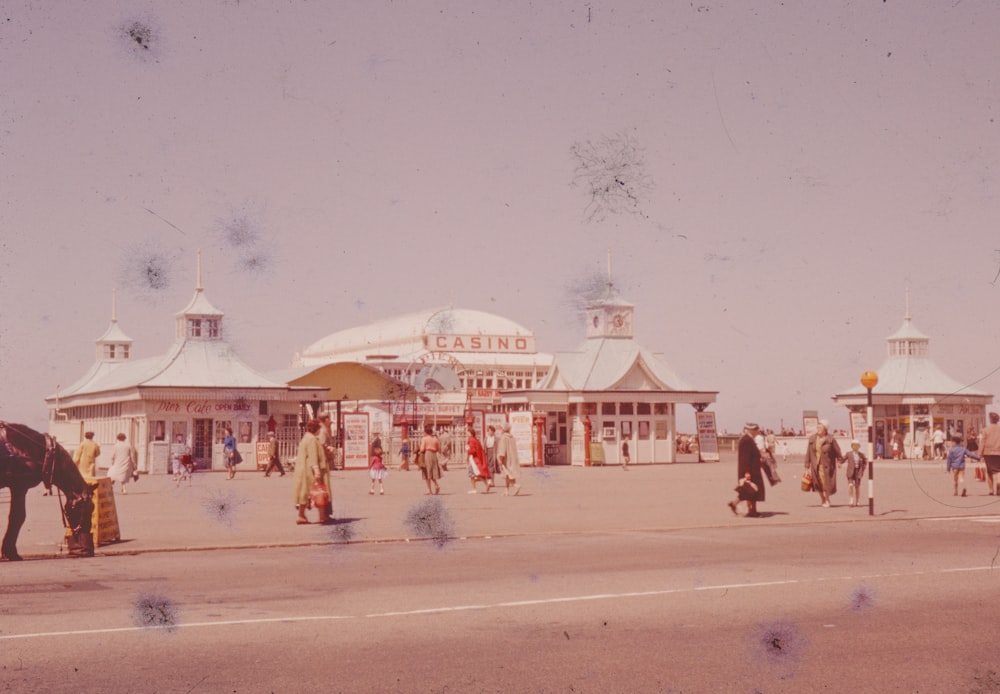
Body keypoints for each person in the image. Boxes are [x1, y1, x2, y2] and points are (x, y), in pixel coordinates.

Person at [293, 419, 330, 524]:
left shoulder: (306, 438)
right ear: (316, 429)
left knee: (304, 494)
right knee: (319, 493)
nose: (320, 430)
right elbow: (313, 456)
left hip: (303, 470)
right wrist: (317, 471)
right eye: (319, 428)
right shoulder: (312, 440)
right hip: (310, 471)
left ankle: (301, 515)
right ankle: (322, 517)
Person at [804, 420, 843, 507]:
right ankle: (822, 499)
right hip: (815, 465)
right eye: (817, 427)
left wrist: (840, 461)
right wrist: (807, 466)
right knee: (817, 484)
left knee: (826, 483)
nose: (818, 429)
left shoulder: (830, 439)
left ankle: (827, 500)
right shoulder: (812, 439)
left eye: (820, 427)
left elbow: (838, 451)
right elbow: (808, 453)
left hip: (827, 465)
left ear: (825, 429)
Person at [734, 422, 765, 517]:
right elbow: (745, 458)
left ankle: (752, 510)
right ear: (751, 430)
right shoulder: (747, 440)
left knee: (751, 491)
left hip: (753, 469)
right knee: (750, 491)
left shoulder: (749, 439)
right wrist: (746, 471)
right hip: (750, 470)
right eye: (756, 429)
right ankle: (750, 510)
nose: (758, 431)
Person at [496, 422, 521, 496]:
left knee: (507, 473)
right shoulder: (511, 437)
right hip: (512, 458)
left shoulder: (504, 438)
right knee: (508, 474)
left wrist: (500, 458)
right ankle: (506, 490)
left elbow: (502, 450)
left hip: (506, 459)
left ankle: (515, 485)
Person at [978, 412, 1000, 495]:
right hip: (999, 452)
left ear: (990, 419)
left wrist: (980, 454)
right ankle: (999, 483)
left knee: (989, 472)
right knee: (999, 471)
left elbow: (982, 442)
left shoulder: (985, 430)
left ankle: (991, 490)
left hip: (988, 453)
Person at [418, 423, 442, 495]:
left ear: (425, 432)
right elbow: (438, 449)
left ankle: (429, 489)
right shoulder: (435, 439)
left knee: (426, 471)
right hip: (434, 455)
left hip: (427, 454)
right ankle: (435, 485)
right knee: (432, 471)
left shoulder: (424, 439)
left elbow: (422, 449)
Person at [466, 426, 491, 494]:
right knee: (477, 474)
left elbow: (473, 450)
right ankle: (486, 483)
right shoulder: (476, 440)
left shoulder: (471, 440)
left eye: (468, 432)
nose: (467, 433)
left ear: (471, 433)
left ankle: (474, 489)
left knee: (471, 474)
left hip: (473, 459)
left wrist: (468, 450)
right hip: (477, 459)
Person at [842, 440, 867, 507]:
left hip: (858, 472)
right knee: (850, 485)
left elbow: (865, 462)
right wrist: (839, 462)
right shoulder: (849, 453)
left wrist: (862, 469)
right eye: (854, 445)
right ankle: (851, 499)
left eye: (857, 445)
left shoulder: (861, 454)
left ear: (859, 446)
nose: (855, 447)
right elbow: (842, 459)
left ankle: (858, 500)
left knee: (857, 487)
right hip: (850, 472)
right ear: (852, 446)